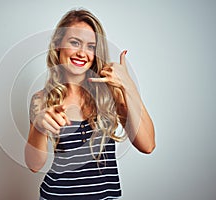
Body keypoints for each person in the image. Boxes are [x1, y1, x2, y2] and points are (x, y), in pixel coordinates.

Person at [25, 8, 155, 200]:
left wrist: (128, 86)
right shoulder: (41, 99)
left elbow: (148, 145)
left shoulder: (110, 92)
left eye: (90, 46)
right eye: (75, 42)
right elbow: (34, 165)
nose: (82, 53)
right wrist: (39, 127)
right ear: (58, 45)